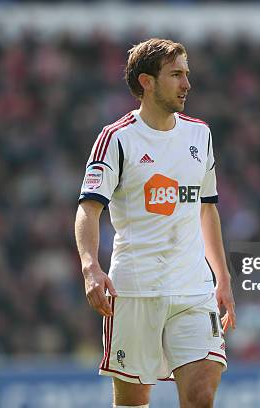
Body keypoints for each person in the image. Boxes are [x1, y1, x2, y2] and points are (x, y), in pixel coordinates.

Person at [75, 38, 236, 408]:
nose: (187, 84)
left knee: (200, 396)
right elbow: (89, 208)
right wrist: (90, 268)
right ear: (146, 81)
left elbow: (207, 208)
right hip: (135, 288)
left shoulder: (200, 134)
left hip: (193, 288)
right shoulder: (116, 139)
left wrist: (222, 278)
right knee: (133, 402)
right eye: (176, 75)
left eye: (187, 74)